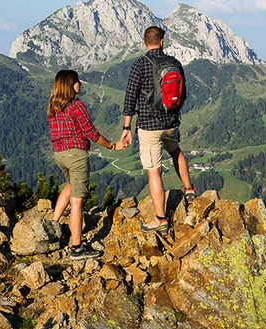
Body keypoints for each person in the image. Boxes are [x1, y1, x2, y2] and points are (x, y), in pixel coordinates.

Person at [121, 26, 196, 234]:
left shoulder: (139, 65)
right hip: (171, 123)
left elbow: (130, 98)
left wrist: (127, 126)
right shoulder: (174, 63)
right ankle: (189, 189)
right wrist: (173, 114)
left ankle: (161, 220)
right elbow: (184, 94)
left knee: (154, 171)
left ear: (145, 43)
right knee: (176, 151)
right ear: (162, 41)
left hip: (148, 126)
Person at [48, 69, 125, 260]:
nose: (80, 83)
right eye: (76, 81)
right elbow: (90, 132)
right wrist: (112, 146)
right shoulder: (76, 106)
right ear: (69, 85)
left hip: (59, 153)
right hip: (76, 154)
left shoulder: (53, 107)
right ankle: (77, 248)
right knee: (77, 201)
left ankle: (51, 224)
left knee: (70, 185)